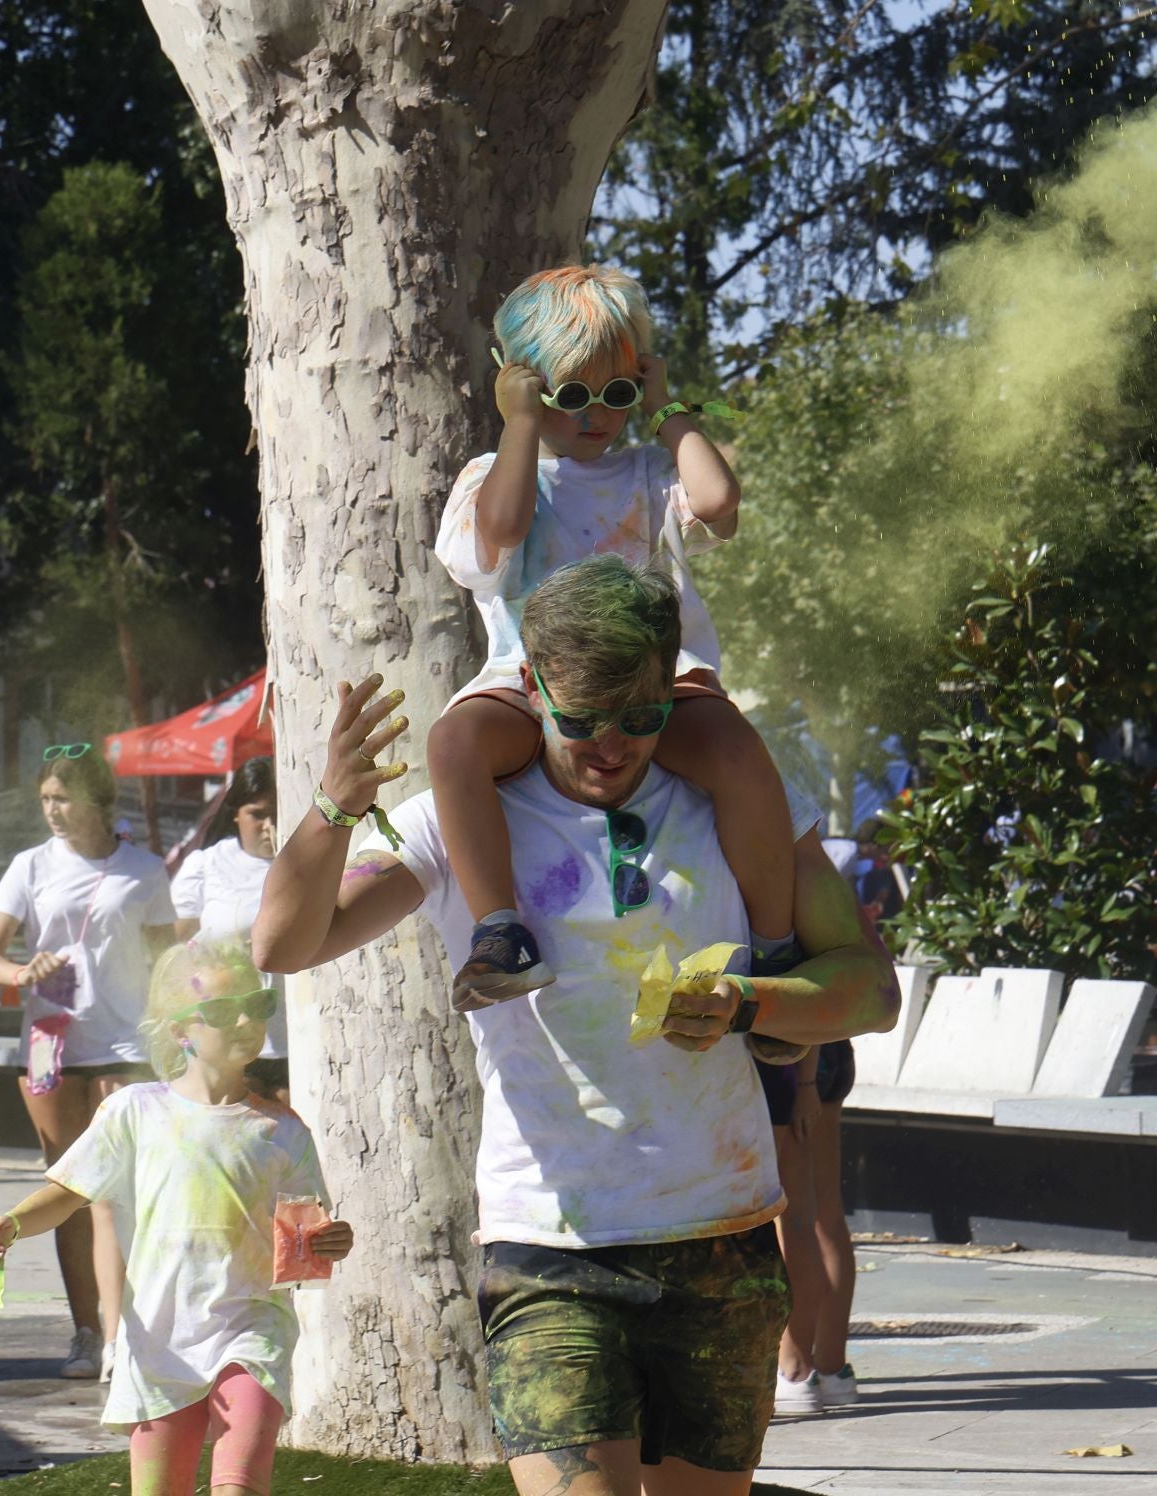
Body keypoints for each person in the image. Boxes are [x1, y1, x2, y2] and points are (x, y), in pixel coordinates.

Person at [253, 556, 899, 1496]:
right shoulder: (457, 823)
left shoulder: (736, 811)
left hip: (720, 1241)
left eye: (640, 720)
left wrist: (749, 1004)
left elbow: (869, 991)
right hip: (547, 1251)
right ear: (532, 689)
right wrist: (331, 812)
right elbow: (285, 941)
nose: (611, 746)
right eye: (582, 719)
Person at [426, 265, 797, 1011]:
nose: (596, 416)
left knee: (733, 748)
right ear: (522, 387)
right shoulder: (490, 476)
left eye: (617, 394)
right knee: (454, 744)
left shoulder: (654, 472)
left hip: (656, 684)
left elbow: (720, 502)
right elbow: (498, 533)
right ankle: (502, 931)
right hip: (534, 686)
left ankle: (778, 942)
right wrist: (521, 427)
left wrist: (666, 410)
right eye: (569, 397)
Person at [0, 936, 353, 1496]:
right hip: (159, 1336)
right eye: (225, 1010)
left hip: (252, 1327)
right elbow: (68, 1191)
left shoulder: (283, 1129)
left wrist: (330, 1242)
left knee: (239, 1485)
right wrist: (13, 1221)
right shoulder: (137, 1111)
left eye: (259, 1005)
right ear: (180, 1030)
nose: (247, 1019)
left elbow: (307, 1232)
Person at [0, 744, 176, 1382]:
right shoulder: (32, 865)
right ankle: (86, 1331)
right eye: (46, 801)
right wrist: (22, 972)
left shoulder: (143, 869)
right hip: (51, 1041)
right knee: (68, 1187)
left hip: (124, 1041)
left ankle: (122, 1334)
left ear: (97, 801)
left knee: (118, 1192)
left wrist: (179, 1030)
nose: (54, 812)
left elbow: (169, 958)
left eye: (63, 798)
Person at [170, 757, 288, 1101]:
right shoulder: (207, 865)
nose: (270, 825)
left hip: (298, 1034)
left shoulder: (309, 863)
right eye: (258, 814)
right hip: (229, 1036)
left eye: (278, 813)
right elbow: (172, 950)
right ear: (235, 812)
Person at [757, 1040, 860, 1417]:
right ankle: (832, 1370)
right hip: (832, 1052)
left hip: (792, 1061)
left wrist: (803, 1085)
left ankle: (796, 1370)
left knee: (794, 1219)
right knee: (825, 1217)